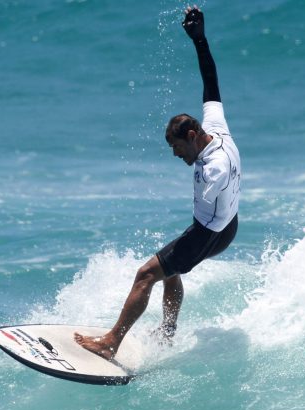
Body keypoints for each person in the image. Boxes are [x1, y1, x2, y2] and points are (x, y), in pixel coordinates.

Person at [74, 5, 241, 361]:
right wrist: (200, 40)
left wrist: (213, 189)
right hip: (228, 226)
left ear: (193, 136)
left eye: (179, 148)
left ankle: (110, 343)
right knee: (170, 269)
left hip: (209, 232)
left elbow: (218, 176)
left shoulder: (216, 167)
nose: (177, 156)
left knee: (146, 273)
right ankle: (167, 332)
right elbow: (211, 82)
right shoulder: (217, 127)